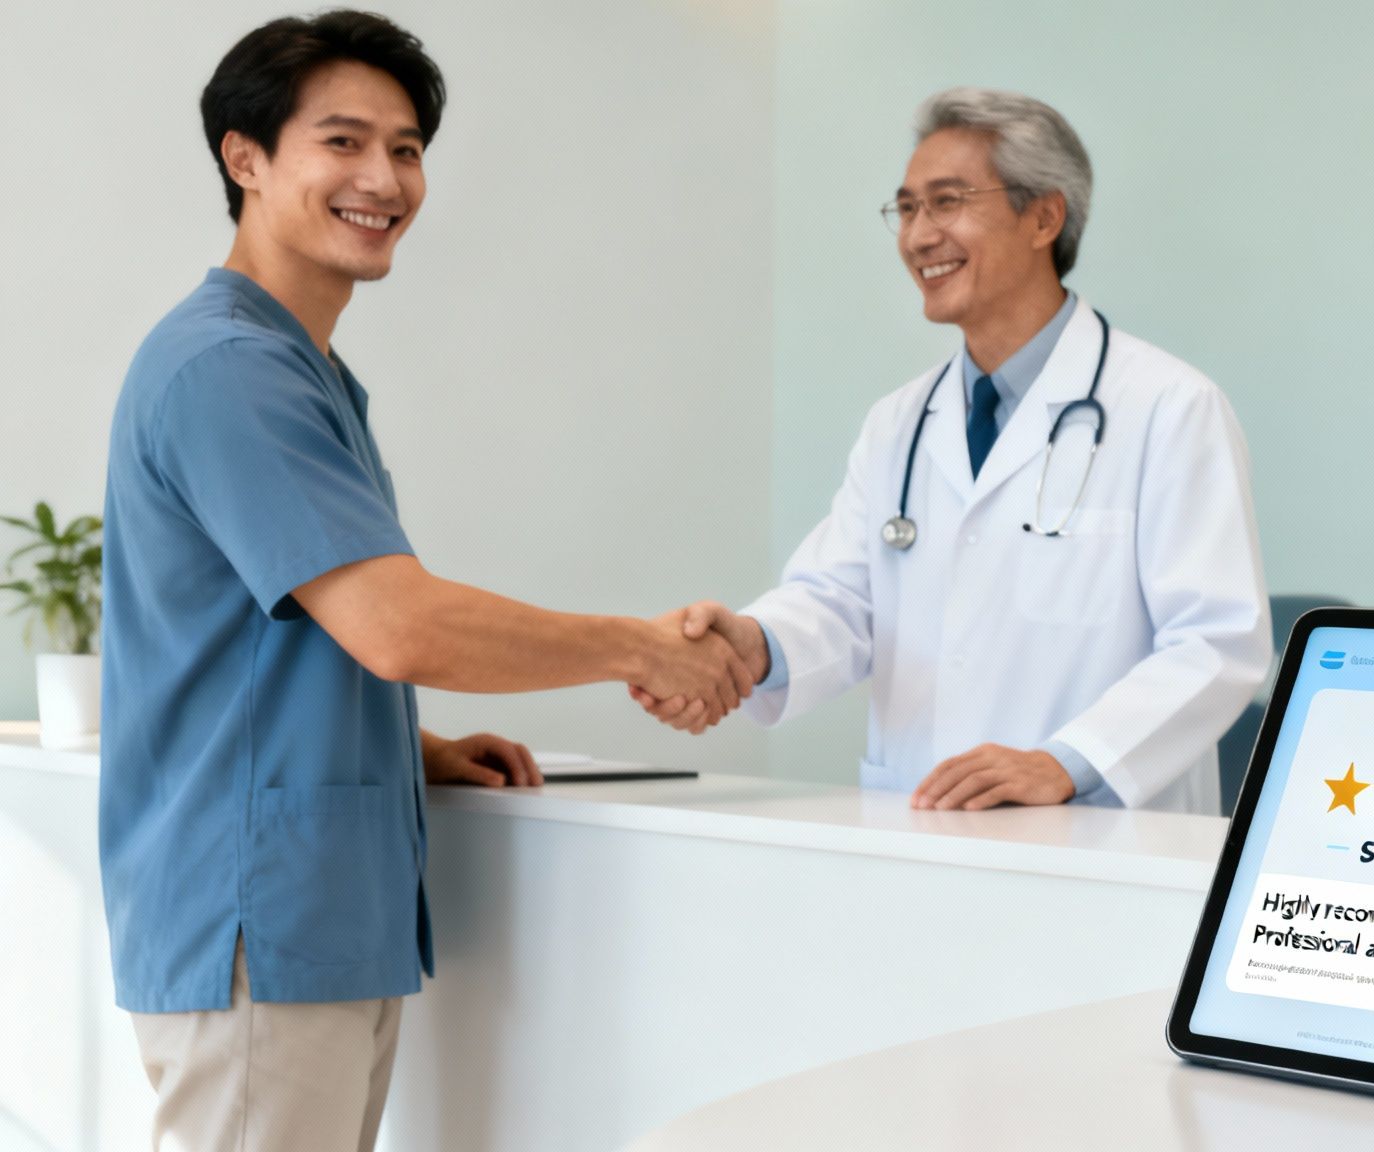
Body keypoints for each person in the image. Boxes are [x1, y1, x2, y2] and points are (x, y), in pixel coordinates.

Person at [98, 13, 749, 1150]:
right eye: (342, 142)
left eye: (405, 149)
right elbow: (395, 623)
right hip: (258, 925)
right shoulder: (231, 369)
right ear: (243, 159)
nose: (384, 178)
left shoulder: (304, 371)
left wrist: (411, 748)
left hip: (314, 923)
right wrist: (640, 647)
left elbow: (275, 645)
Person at [636, 87, 1270, 814]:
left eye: (947, 202)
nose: (918, 236)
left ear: (1044, 217)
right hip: (925, 827)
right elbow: (840, 601)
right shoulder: (899, 424)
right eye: (906, 209)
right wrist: (751, 648)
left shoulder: (1169, 408)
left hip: (1098, 840)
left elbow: (1218, 642)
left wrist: (1066, 763)